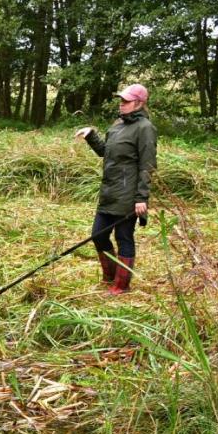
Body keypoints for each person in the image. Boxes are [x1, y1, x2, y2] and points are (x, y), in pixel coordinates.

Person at [74, 83, 157, 294]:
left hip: (128, 196)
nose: (121, 104)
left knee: (124, 237)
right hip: (109, 193)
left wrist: (141, 198)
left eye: (126, 101)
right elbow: (105, 152)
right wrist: (91, 135)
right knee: (98, 235)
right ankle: (110, 275)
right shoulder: (117, 125)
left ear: (139, 103)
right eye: (121, 100)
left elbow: (147, 165)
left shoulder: (145, 128)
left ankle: (121, 285)